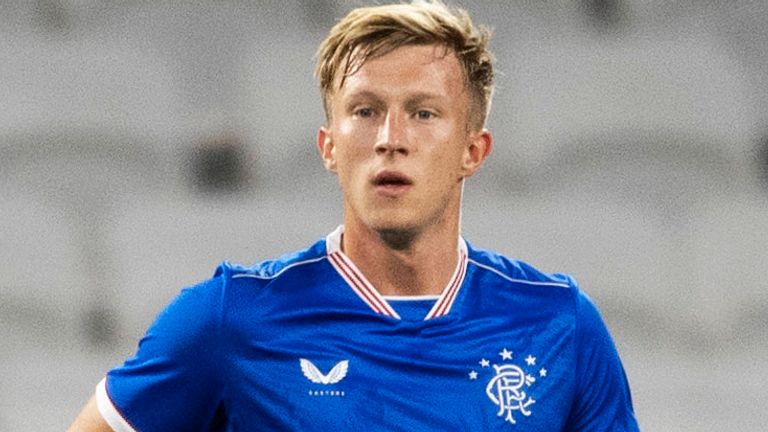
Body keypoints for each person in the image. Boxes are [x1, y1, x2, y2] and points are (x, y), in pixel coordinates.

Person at [69, 1, 639, 430]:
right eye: (365, 111)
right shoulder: (227, 319)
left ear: (473, 150)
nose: (391, 139)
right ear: (329, 146)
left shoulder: (560, 324)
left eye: (423, 112)